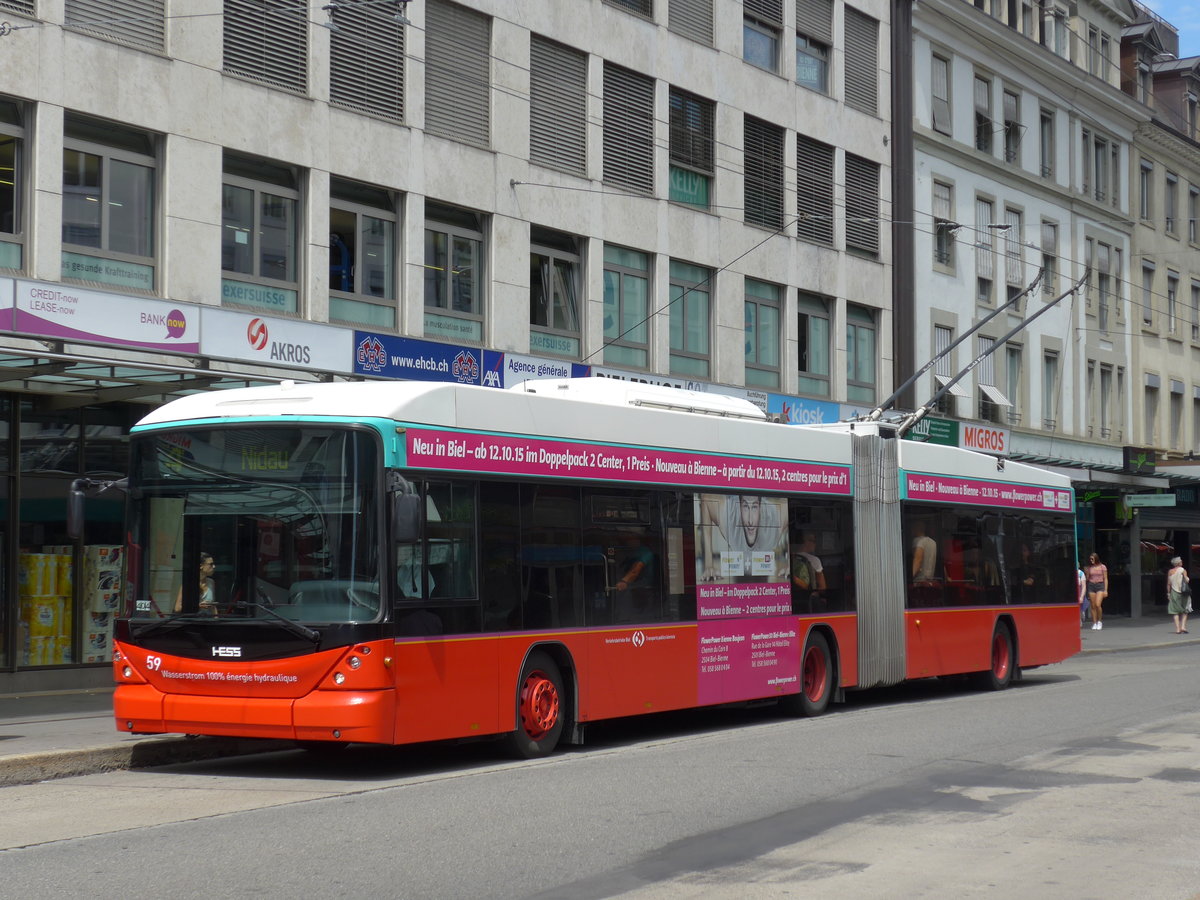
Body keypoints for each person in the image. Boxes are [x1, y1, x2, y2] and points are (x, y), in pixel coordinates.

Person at [175, 552, 217, 616]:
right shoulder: (189, 583)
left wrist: (216, 620)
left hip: (209, 622)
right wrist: (198, 606)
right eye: (211, 564)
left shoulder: (211, 582)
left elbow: (213, 607)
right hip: (193, 622)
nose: (214, 566)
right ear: (201, 566)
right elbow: (177, 608)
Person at [791, 531, 827, 606]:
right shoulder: (815, 560)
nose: (815, 544)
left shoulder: (790, 557)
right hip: (809, 601)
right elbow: (822, 586)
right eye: (812, 541)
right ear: (804, 542)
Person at [1083, 552, 1108, 630]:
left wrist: (1106, 590)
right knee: (1093, 606)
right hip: (1091, 585)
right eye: (1090, 559)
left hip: (1100, 585)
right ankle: (1094, 622)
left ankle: (1099, 621)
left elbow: (1105, 578)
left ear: (1096, 559)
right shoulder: (1090, 568)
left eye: (1092, 559)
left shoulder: (1102, 567)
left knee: (1098, 604)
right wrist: (1087, 573)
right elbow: (1087, 579)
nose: (1091, 560)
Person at [1166, 556, 1190, 635]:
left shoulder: (1170, 571)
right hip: (1184, 592)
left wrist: (1168, 593)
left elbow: (1169, 584)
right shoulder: (1182, 570)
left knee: (1174, 611)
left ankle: (1177, 629)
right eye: (1181, 561)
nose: (1182, 562)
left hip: (1174, 593)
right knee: (1185, 609)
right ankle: (1183, 626)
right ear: (1179, 563)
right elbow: (1187, 580)